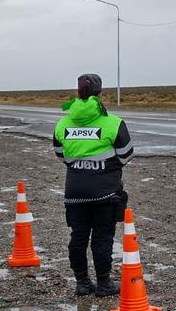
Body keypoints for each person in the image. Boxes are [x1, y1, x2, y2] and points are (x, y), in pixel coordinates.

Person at [53, 74, 134, 297]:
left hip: (75, 192)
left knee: (78, 237)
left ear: (78, 93)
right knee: (102, 238)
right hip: (105, 193)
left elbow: (61, 156)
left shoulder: (62, 124)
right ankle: (104, 284)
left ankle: (82, 282)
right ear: (100, 94)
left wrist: (81, 163)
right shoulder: (113, 123)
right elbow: (126, 155)